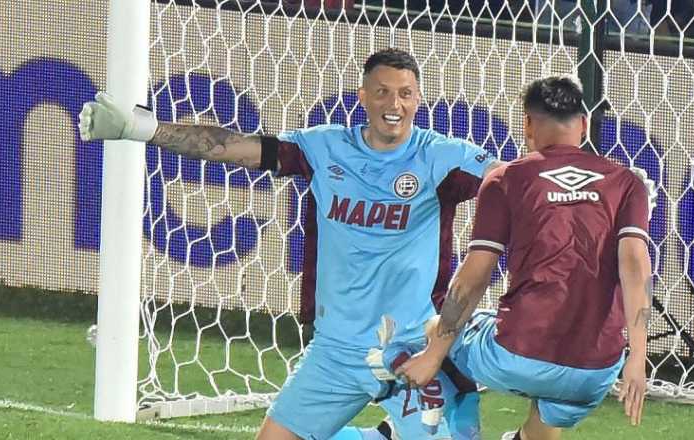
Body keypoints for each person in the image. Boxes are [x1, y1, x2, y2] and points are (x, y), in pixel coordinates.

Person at [78, 48, 496, 440]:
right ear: (363, 96)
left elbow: (514, 181)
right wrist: (140, 128)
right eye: (383, 92)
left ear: (419, 99)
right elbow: (232, 147)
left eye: (405, 94)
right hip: (336, 349)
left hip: (413, 347)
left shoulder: (442, 158)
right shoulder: (324, 148)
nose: (395, 104)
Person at [394, 74, 654, 440]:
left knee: (433, 327)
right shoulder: (627, 182)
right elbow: (635, 266)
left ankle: (451, 423)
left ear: (528, 125)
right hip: (593, 375)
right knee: (549, 410)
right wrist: (637, 360)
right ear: (583, 124)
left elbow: (473, 277)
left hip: (515, 358)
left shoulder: (505, 178)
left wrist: (433, 354)